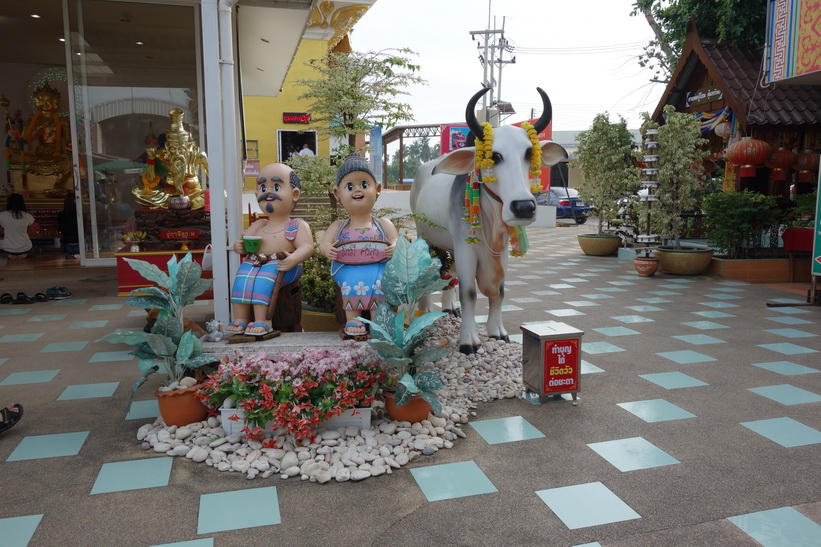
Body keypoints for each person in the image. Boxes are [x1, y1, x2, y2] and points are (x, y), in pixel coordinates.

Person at [228, 163, 314, 336]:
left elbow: (307, 246)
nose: (268, 192)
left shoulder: (296, 225)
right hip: (257, 262)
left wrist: (294, 259)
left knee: (264, 281)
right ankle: (240, 319)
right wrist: (238, 246)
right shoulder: (260, 224)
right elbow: (243, 243)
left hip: (284, 265)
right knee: (241, 278)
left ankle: (263, 320)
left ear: (294, 194)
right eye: (262, 187)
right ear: (256, 194)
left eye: (276, 186)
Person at [319, 154, 398, 339]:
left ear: (377, 189)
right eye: (349, 186)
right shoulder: (338, 226)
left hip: (379, 266)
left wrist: (395, 246)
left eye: (364, 184)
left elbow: (397, 241)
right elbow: (323, 245)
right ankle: (353, 320)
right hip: (348, 268)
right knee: (352, 282)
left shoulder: (383, 224)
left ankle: (379, 320)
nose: (357, 190)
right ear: (338, 193)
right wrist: (326, 249)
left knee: (380, 283)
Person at [0, 193, 36, 260]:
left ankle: (12, 256)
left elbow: (1, 232)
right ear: (22, 203)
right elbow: (32, 233)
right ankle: (22, 255)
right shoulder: (28, 216)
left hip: (8, 248)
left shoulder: (1, 215)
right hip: (25, 247)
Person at [57, 192, 80, 259]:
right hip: (79, 243)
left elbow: (60, 229)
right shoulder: (80, 214)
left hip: (66, 243)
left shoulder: (61, 215)